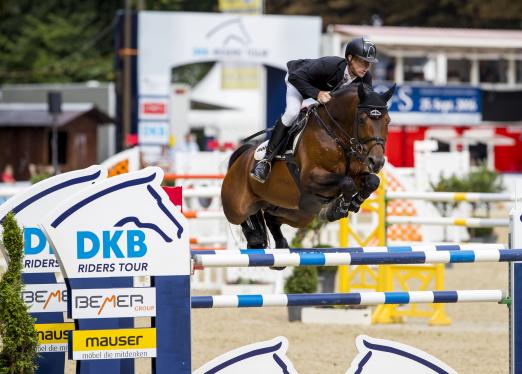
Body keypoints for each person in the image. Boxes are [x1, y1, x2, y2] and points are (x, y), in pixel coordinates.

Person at [250, 37, 378, 183]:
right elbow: (295, 77)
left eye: (369, 63)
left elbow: (366, 102)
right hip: (298, 83)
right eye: (363, 61)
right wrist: (316, 94)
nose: (366, 67)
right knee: (292, 113)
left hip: (324, 96)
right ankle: (266, 161)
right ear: (350, 58)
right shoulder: (329, 65)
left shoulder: (365, 78)